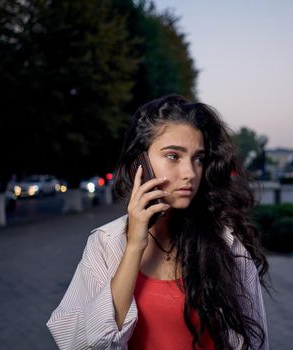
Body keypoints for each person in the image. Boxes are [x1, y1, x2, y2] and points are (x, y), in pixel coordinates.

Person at [47, 95, 270, 349]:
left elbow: (256, 343)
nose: (190, 173)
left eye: (198, 158)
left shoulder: (228, 245)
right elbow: (79, 344)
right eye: (173, 156)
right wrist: (134, 246)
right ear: (139, 163)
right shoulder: (105, 244)